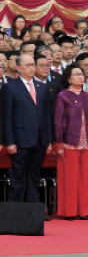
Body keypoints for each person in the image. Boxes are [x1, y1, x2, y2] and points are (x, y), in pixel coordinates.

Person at [4, 53, 53, 205]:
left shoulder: (43, 87)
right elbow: (6, 117)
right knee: (17, 176)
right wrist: (9, 142)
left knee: (34, 176)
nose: (32, 68)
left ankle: (33, 212)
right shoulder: (9, 87)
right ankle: (15, 212)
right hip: (20, 140)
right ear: (18, 68)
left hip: (40, 140)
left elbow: (47, 115)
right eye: (28, 65)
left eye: (33, 65)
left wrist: (49, 140)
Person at [51, 64, 88, 220]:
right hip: (69, 141)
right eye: (77, 74)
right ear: (69, 78)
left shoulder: (87, 96)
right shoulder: (63, 96)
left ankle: (83, 211)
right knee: (70, 177)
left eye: (82, 74)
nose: (80, 76)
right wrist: (58, 143)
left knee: (85, 178)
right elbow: (58, 121)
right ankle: (69, 211)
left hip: (87, 141)